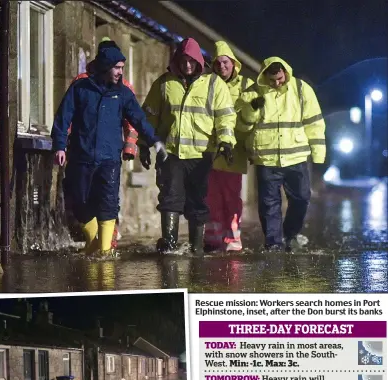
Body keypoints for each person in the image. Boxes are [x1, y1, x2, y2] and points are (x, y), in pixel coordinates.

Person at [52, 42, 164, 256]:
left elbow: (139, 119)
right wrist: (59, 145)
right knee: (79, 204)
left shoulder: (122, 94)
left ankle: (104, 253)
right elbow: (63, 117)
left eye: (123, 67)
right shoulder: (80, 88)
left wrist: (154, 140)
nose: (121, 72)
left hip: (109, 159)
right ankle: (94, 242)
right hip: (81, 157)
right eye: (117, 67)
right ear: (105, 66)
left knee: (108, 204)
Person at [139, 37, 237, 255]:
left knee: (198, 201)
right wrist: (143, 145)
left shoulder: (214, 84)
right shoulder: (164, 83)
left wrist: (226, 141)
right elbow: (149, 117)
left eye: (192, 61)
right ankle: (170, 247)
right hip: (170, 153)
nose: (187, 66)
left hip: (201, 155)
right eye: (183, 61)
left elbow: (225, 118)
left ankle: (196, 248)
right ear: (176, 60)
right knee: (170, 199)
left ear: (200, 62)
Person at [237, 57, 326, 252]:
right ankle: (273, 243)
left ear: (285, 72)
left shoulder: (302, 90)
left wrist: (318, 154)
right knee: (269, 204)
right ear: (264, 76)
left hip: (296, 157)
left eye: (280, 78)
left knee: (302, 198)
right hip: (267, 159)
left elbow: (315, 124)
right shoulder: (253, 93)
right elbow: (242, 126)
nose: (277, 83)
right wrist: (251, 109)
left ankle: (290, 234)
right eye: (272, 80)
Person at [68, 38, 139, 250]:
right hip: (84, 152)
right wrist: (65, 143)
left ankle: (107, 244)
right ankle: (94, 243)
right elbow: (70, 114)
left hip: (109, 152)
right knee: (82, 198)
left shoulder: (123, 86)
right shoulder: (82, 82)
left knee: (107, 199)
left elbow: (132, 119)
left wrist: (129, 145)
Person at [204, 41, 254, 252]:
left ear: (233, 63)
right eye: (217, 63)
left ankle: (232, 238)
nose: (222, 67)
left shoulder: (245, 85)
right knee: (211, 196)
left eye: (225, 62)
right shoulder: (207, 84)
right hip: (211, 149)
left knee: (231, 196)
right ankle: (213, 238)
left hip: (235, 151)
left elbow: (251, 119)